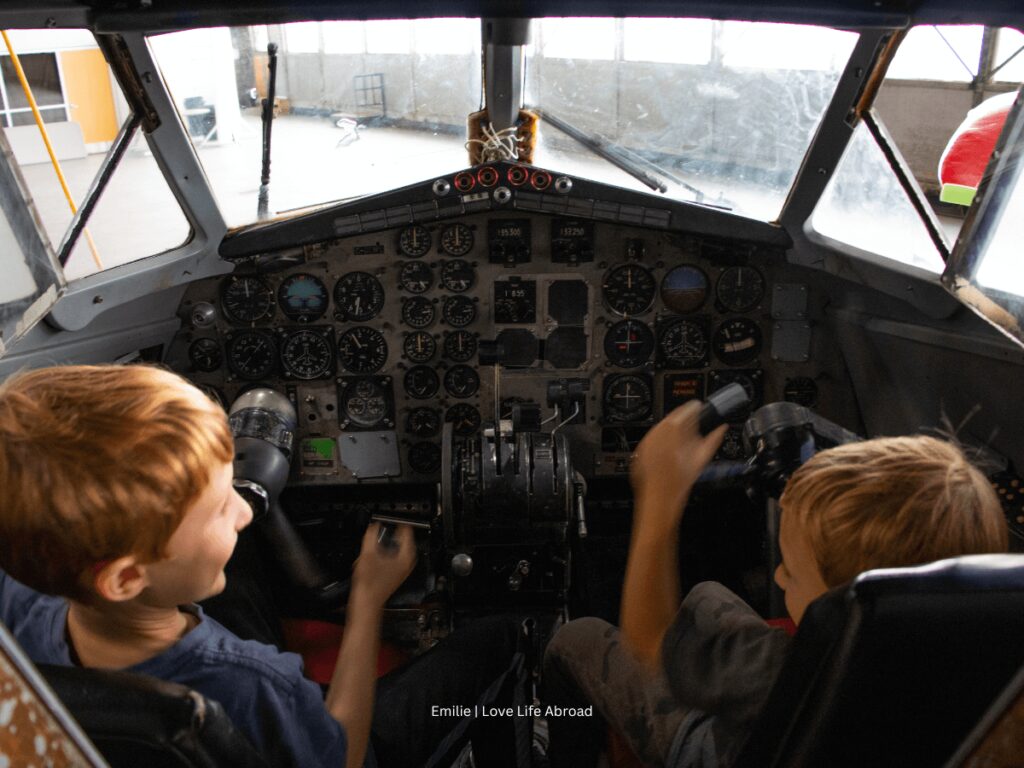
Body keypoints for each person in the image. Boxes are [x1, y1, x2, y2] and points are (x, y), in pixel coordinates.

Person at [0, 364, 520, 768]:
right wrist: (368, 597)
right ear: (126, 578)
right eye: (220, 505)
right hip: (328, 744)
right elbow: (344, 756)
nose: (245, 508)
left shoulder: (20, 600)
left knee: (243, 552)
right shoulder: (253, 684)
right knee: (502, 639)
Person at [543, 400, 1008, 768]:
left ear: (848, 605)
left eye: (791, 568)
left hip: (725, 752)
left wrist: (659, 496)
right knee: (707, 595)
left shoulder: (777, 671)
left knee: (574, 639)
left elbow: (649, 643)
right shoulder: (992, 665)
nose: (780, 573)